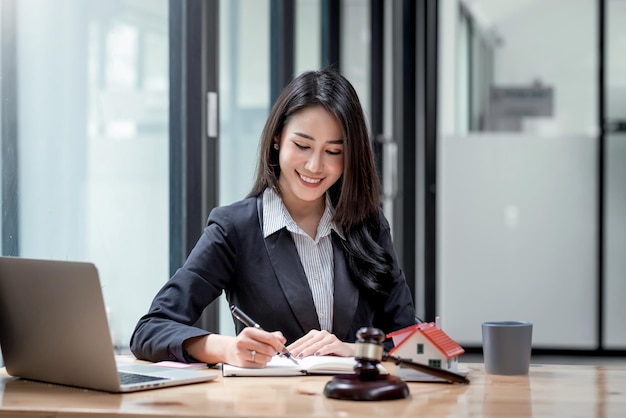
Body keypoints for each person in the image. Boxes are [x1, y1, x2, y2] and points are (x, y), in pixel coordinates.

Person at [130, 68, 417, 368]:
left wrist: (356, 350)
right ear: (278, 137)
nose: (314, 165)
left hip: (356, 410)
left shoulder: (368, 226)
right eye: (302, 146)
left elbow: (411, 338)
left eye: (333, 151)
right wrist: (226, 349)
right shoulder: (235, 229)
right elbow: (150, 330)